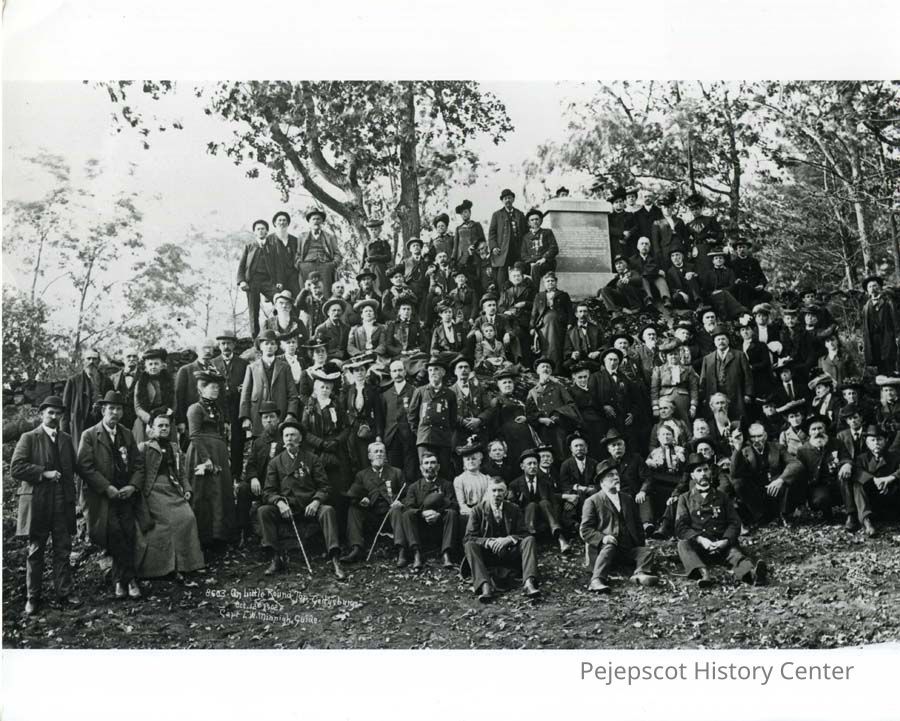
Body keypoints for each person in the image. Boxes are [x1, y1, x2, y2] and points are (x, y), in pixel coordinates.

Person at [11, 395, 83, 615]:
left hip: (62, 502)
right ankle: (33, 597)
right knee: (36, 551)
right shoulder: (29, 438)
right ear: (41, 414)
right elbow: (16, 468)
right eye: (50, 412)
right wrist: (43, 473)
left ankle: (65, 592)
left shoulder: (66, 439)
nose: (54, 416)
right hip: (38, 502)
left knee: (63, 549)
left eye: (58, 413)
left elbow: (77, 467)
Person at [258, 419, 346, 578]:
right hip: (287, 507)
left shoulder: (312, 459)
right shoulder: (275, 462)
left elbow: (325, 486)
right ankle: (275, 558)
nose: (289, 439)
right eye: (286, 436)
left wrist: (316, 501)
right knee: (264, 511)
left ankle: (335, 558)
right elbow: (268, 491)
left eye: (293, 435)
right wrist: (279, 502)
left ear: (300, 439)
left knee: (328, 511)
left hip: (309, 506)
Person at [77, 390, 144, 599]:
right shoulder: (90, 435)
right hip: (101, 497)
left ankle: (120, 581)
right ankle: (128, 579)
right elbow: (85, 467)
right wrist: (107, 488)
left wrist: (132, 486)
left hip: (125, 494)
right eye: (111, 409)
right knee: (114, 532)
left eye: (119, 409)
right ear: (103, 410)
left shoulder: (127, 434)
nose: (115, 413)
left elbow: (139, 465)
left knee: (128, 531)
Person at [134, 407, 205, 579]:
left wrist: (187, 489)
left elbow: (181, 473)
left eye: (166, 426)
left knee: (188, 517)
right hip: (153, 491)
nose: (164, 428)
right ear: (152, 428)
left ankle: (190, 563)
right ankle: (169, 567)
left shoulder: (174, 448)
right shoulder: (144, 448)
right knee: (170, 521)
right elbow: (137, 473)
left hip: (173, 489)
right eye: (160, 426)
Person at [675, 454, 768, 587]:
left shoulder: (722, 497)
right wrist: (701, 540)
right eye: (699, 471)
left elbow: (734, 522)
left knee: (736, 555)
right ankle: (703, 574)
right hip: (699, 546)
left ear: (711, 472)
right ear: (692, 476)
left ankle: (753, 575)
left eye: (706, 469)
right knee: (683, 544)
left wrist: (725, 541)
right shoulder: (685, 498)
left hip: (721, 543)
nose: (703, 474)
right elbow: (681, 526)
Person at [579, 458, 658, 593]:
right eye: (611, 475)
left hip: (626, 548)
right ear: (601, 481)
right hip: (605, 550)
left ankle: (640, 573)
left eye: (617, 474)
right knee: (609, 546)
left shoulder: (627, 499)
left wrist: (639, 544)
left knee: (646, 551)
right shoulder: (592, 501)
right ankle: (596, 580)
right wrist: (603, 538)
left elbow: (638, 525)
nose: (616, 478)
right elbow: (585, 530)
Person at [462, 477, 541, 603]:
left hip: (509, 553)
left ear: (505, 493)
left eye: (500, 491)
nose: (496, 494)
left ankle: (529, 582)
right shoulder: (477, 510)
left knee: (530, 540)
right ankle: (484, 586)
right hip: (487, 555)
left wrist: (509, 539)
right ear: (487, 492)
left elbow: (525, 533)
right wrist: (487, 542)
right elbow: (468, 537)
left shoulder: (514, 509)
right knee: (470, 545)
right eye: (493, 490)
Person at [185, 370, 236, 547]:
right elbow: (194, 435)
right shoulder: (195, 409)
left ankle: (219, 534)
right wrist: (206, 459)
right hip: (201, 452)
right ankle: (203, 536)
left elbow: (222, 433)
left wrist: (225, 455)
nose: (216, 391)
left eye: (217, 388)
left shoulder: (216, 408)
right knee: (203, 492)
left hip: (218, 452)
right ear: (202, 389)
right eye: (212, 387)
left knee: (219, 492)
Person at [342, 441, 406, 564]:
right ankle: (356, 548)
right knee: (353, 510)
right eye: (376, 452)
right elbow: (351, 495)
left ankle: (401, 550)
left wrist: (400, 502)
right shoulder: (362, 475)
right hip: (371, 514)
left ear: (385, 455)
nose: (379, 454)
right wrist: (361, 499)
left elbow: (408, 494)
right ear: (369, 456)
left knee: (396, 509)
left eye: (382, 451)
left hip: (390, 515)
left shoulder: (396, 472)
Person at [780, 415, 853, 522]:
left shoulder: (836, 443)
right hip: (818, 485)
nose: (817, 432)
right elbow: (800, 471)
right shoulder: (803, 450)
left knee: (845, 478)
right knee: (819, 500)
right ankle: (826, 512)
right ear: (809, 433)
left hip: (837, 481)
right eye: (813, 429)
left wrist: (847, 464)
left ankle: (851, 515)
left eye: (820, 428)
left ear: (825, 429)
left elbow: (846, 457)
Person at [398, 452, 460, 568]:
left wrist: (438, 513)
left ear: (438, 466)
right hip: (420, 526)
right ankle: (416, 554)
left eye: (433, 463)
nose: (430, 466)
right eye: (426, 463)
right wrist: (422, 514)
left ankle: (446, 554)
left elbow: (454, 504)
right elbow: (409, 506)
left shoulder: (447, 485)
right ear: (421, 467)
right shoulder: (414, 487)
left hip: (440, 525)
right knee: (407, 514)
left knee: (451, 513)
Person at [730, 421, 795, 527]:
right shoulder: (744, 452)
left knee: (791, 476)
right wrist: (737, 447)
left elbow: (794, 464)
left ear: (765, 435)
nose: (756, 440)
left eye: (759, 436)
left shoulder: (777, 448)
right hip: (757, 493)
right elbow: (734, 474)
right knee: (738, 483)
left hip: (777, 490)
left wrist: (781, 479)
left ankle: (784, 514)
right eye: (753, 437)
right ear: (748, 437)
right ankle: (761, 517)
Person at [301, 363, 351, 500]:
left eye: (327, 388)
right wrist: (320, 443)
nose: (324, 390)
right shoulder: (309, 408)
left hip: (335, 450)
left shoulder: (336, 405)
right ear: (316, 389)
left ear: (331, 390)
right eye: (322, 387)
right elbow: (304, 431)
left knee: (337, 484)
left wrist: (336, 441)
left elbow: (346, 427)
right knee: (318, 482)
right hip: (316, 451)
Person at [237, 401, 282, 546]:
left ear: (278, 419)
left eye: (272, 417)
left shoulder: (285, 438)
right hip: (261, 485)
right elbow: (251, 464)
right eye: (265, 417)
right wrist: (253, 478)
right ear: (261, 421)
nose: (268, 420)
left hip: (279, 487)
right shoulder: (258, 442)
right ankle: (245, 531)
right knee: (243, 488)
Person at [508, 447, 570, 553]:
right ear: (522, 466)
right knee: (531, 505)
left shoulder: (546, 482)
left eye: (535, 463)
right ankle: (531, 538)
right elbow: (513, 508)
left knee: (544, 502)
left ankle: (560, 538)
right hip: (526, 520)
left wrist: (555, 517)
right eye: (529, 464)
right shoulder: (514, 484)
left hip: (545, 518)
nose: (533, 466)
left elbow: (554, 504)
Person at [239, 330, 300, 436]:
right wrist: (245, 417)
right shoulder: (252, 368)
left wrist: (290, 414)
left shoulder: (284, 367)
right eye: (266, 344)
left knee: (279, 441)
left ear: (276, 347)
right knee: (259, 443)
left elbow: (293, 395)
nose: (269, 347)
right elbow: (245, 395)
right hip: (257, 415)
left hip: (280, 414)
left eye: (272, 344)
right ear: (261, 346)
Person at [846, 424, 899, 537]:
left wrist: (889, 478)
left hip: (891, 498)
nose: (876, 443)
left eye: (879, 439)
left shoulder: (895, 456)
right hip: (871, 501)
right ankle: (867, 521)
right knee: (857, 485)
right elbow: (857, 472)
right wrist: (875, 480)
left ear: (885, 441)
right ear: (867, 443)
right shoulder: (861, 458)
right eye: (872, 440)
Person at [408, 357, 458, 473]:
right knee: (427, 470)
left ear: (443, 373)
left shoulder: (450, 394)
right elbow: (412, 416)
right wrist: (420, 432)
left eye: (436, 369)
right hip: (425, 438)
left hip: (443, 439)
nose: (432, 372)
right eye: (430, 370)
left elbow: (453, 418)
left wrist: (446, 432)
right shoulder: (420, 391)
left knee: (443, 470)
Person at [211, 330, 249, 476]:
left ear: (234, 345)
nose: (226, 346)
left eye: (229, 343)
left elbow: (248, 385)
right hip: (219, 408)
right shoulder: (213, 363)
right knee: (219, 441)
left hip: (237, 408)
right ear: (219, 345)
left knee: (237, 442)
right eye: (223, 343)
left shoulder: (243, 364)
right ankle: (220, 475)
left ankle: (236, 475)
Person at [238, 219, 282, 337]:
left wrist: (279, 281)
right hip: (252, 281)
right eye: (258, 229)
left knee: (279, 300)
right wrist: (241, 281)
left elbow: (278, 265)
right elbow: (242, 265)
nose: (261, 231)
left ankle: (278, 331)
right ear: (254, 232)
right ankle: (255, 337)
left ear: (267, 231)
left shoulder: (273, 247)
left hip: (268, 280)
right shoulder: (249, 247)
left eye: (263, 229)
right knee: (254, 310)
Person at [699, 325, 753, 420]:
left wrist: (748, 394)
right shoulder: (708, 359)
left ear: (728, 340)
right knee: (716, 420)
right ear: (714, 342)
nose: (721, 342)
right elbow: (703, 379)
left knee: (737, 419)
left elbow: (748, 376)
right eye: (718, 339)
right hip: (715, 396)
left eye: (723, 339)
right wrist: (703, 397)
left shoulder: (739, 355)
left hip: (735, 394)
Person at [61, 347, 111, 450]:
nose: (91, 362)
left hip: (101, 426)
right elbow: (65, 411)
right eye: (88, 358)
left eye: (94, 359)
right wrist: (63, 435)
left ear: (99, 361)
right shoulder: (73, 381)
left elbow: (111, 404)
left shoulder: (107, 382)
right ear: (84, 361)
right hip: (80, 426)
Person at [527, 357, 575, 460]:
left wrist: (557, 415)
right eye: (543, 367)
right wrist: (541, 420)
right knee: (547, 457)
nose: (545, 369)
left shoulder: (559, 387)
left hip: (560, 427)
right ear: (537, 371)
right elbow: (529, 413)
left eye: (548, 367)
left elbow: (570, 404)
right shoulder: (532, 392)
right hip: (543, 430)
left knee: (563, 455)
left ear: (551, 371)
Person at [174, 338, 217, 445]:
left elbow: (220, 396)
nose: (208, 351)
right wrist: (180, 421)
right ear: (197, 350)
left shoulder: (216, 370)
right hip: (191, 419)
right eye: (204, 348)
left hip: (211, 421)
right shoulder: (186, 370)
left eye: (210, 348)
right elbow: (179, 397)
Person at [343, 355, 380, 471]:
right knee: (352, 459)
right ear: (352, 373)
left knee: (365, 459)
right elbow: (342, 410)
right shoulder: (347, 390)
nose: (359, 373)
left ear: (366, 372)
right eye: (356, 370)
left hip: (366, 428)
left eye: (362, 370)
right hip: (351, 428)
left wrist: (378, 434)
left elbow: (378, 414)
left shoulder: (372, 390)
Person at [133, 348, 177, 445]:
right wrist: (151, 420)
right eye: (150, 364)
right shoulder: (140, 383)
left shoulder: (169, 381)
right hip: (146, 419)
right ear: (146, 366)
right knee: (145, 448)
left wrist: (166, 417)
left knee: (170, 446)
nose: (153, 367)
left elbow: (173, 403)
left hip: (166, 417)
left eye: (156, 364)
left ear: (162, 365)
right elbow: (138, 408)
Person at [651, 338, 699, 425]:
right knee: (665, 423)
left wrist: (693, 406)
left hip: (683, 399)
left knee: (684, 422)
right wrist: (655, 406)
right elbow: (654, 389)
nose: (673, 356)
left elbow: (693, 388)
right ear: (666, 357)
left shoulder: (688, 369)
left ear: (679, 355)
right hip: (665, 399)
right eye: (671, 355)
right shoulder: (659, 370)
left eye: (676, 354)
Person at [530, 271, 572, 372]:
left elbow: (569, 310)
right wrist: (532, 327)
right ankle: (544, 370)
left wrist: (570, 323)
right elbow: (534, 313)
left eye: (552, 281)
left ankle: (557, 370)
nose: (550, 283)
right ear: (544, 283)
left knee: (556, 347)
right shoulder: (539, 296)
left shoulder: (563, 295)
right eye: (548, 281)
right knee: (545, 347)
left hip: (559, 324)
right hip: (543, 325)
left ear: (556, 282)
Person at [296, 207, 342, 295]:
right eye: (313, 219)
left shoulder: (329, 237)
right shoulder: (302, 236)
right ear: (309, 221)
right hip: (307, 267)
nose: (316, 221)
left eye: (318, 219)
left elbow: (337, 254)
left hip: (325, 266)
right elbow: (297, 254)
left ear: (322, 221)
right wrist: (300, 265)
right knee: (308, 292)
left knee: (326, 292)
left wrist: (332, 264)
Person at [487, 188, 527, 289]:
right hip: (503, 250)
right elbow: (492, 233)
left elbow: (526, 232)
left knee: (518, 273)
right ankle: (502, 295)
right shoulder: (497, 215)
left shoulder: (520, 214)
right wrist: (494, 247)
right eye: (505, 198)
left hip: (517, 249)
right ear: (502, 201)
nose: (507, 200)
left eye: (509, 198)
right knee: (502, 276)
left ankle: (518, 293)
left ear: (513, 199)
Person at [558, 432, 598, 531]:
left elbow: (599, 482)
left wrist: (592, 488)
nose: (579, 448)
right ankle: (576, 526)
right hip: (574, 496)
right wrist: (577, 488)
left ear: (586, 448)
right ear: (571, 449)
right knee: (569, 507)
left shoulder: (594, 463)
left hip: (591, 495)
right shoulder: (566, 465)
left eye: (581, 446)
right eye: (576, 446)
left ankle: (588, 524)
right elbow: (563, 484)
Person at [861, 275, 899, 374]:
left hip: (887, 336)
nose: (872, 289)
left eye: (875, 286)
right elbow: (864, 326)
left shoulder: (888, 302)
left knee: (889, 361)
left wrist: (896, 336)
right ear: (867, 290)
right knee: (878, 363)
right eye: (870, 287)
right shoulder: (866, 307)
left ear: (880, 287)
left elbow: (895, 320)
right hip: (873, 339)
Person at [700, 251, 748, 320]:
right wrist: (712, 293)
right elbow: (705, 288)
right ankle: (741, 312)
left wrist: (721, 291)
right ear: (713, 261)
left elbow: (732, 286)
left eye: (720, 258)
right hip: (712, 296)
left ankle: (725, 318)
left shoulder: (730, 271)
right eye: (716, 258)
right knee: (722, 295)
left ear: (724, 260)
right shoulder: (708, 273)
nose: (718, 260)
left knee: (724, 294)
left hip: (728, 294)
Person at [684, 193, 724, 274]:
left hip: (710, 248)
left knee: (710, 270)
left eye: (697, 208)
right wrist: (690, 250)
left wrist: (715, 240)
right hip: (697, 250)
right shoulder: (689, 225)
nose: (695, 211)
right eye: (692, 209)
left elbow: (720, 233)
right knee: (699, 270)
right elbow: (687, 240)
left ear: (701, 208)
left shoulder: (710, 220)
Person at [452, 437, 493, 519]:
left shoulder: (487, 479)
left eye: (474, 459)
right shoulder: (459, 480)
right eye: (468, 459)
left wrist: (480, 512)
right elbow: (461, 504)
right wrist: (472, 513)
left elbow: (486, 500)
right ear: (464, 462)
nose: (471, 461)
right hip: (466, 514)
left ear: (480, 461)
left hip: (483, 513)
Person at [519, 208, 559, 287]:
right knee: (518, 265)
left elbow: (554, 248)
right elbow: (523, 253)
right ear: (528, 223)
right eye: (532, 220)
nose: (535, 221)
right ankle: (521, 290)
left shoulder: (547, 232)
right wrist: (531, 262)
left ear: (541, 221)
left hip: (546, 263)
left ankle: (535, 292)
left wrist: (544, 258)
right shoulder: (526, 237)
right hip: (531, 262)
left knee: (535, 267)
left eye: (537, 219)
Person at [630, 236, 672, 306]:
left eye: (646, 244)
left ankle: (666, 299)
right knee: (643, 278)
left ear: (649, 247)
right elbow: (636, 273)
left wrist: (656, 272)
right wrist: (655, 272)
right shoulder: (632, 260)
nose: (644, 246)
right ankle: (648, 300)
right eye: (642, 244)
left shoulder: (655, 258)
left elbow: (662, 272)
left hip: (654, 283)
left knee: (660, 278)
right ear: (638, 247)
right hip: (642, 285)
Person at [563, 301, 603, 373]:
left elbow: (604, 344)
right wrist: (572, 354)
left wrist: (597, 352)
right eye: (580, 311)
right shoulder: (570, 331)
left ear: (588, 313)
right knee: (565, 366)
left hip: (592, 360)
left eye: (585, 311)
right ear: (576, 314)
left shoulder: (596, 329)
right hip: (577, 361)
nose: (582, 314)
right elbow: (566, 349)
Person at [651, 190, 686, 268]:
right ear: (661, 208)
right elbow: (655, 242)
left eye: (669, 207)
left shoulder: (679, 221)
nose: (667, 209)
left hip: (679, 249)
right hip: (665, 251)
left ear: (672, 207)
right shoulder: (657, 223)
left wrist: (687, 249)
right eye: (664, 207)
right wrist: (658, 255)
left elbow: (685, 237)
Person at [268, 210, 300, 297]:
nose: (282, 222)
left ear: (288, 223)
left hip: (293, 276)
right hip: (276, 277)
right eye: (279, 220)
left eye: (284, 220)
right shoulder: (269, 240)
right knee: (280, 300)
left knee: (296, 298)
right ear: (275, 223)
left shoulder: (294, 240)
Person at [109, 348, 140, 433]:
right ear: (123, 359)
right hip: (119, 418)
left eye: (134, 356)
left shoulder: (145, 377)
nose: (131, 359)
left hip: (138, 418)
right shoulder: (113, 378)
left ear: (138, 359)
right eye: (128, 356)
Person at [452, 199, 485, 272]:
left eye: (465, 212)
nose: (464, 214)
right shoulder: (458, 228)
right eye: (461, 213)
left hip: (475, 257)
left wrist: (476, 247)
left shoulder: (476, 225)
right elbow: (455, 246)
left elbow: (482, 240)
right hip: (462, 258)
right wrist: (453, 259)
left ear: (470, 213)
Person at [361, 217, 392, 293]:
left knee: (380, 285)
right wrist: (361, 270)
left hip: (380, 268)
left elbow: (388, 257)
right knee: (369, 287)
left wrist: (374, 258)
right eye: (371, 230)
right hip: (369, 269)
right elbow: (363, 259)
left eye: (375, 229)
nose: (373, 232)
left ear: (380, 230)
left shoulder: (383, 242)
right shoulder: (367, 244)